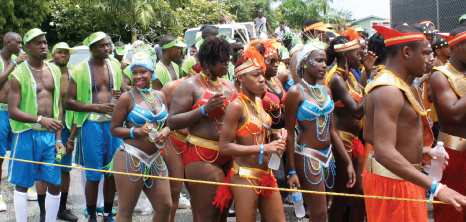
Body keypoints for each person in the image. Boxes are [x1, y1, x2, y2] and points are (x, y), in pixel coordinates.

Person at [363, 25, 466, 221]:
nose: (430, 59)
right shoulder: (389, 90)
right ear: (407, 52)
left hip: (403, 176)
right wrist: (437, 187)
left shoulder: (399, 84)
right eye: (426, 52)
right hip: (393, 181)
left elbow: (370, 135)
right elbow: (384, 152)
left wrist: (420, 151)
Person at [214, 46, 287, 221]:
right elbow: (224, 148)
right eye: (256, 75)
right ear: (240, 78)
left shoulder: (258, 102)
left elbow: (260, 133)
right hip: (244, 176)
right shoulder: (237, 106)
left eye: (262, 74)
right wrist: (264, 148)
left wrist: (276, 136)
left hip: (267, 175)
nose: (262, 80)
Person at [286, 39, 356, 221]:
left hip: (329, 157)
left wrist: (347, 162)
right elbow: (290, 133)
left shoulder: (326, 91)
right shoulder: (295, 92)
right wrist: (292, 171)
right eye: (318, 61)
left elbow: (333, 131)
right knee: (319, 213)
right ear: (304, 64)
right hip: (308, 156)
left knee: (324, 210)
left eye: (325, 61)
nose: (324, 65)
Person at [168, 37, 237, 222]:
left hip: (228, 153)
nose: (226, 63)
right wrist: (204, 109)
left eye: (228, 59)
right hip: (201, 154)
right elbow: (172, 122)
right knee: (209, 215)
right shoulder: (190, 85)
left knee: (224, 212)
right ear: (207, 62)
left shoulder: (228, 85)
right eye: (222, 60)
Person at [65, 31, 125, 222]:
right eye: (102, 45)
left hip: (113, 125)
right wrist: (97, 106)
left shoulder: (114, 65)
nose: (107, 48)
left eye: (108, 44)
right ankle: (91, 216)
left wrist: (119, 94)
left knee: (111, 174)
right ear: (91, 49)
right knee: (93, 174)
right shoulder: (80, 69)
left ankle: (107, 214)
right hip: (91, 124)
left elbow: (124, 92)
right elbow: (69, 102)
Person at [8, 28, 64, 222]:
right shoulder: (18, 73)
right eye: (38, 43)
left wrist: (58, 138)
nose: (43, 46)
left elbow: (58, 104)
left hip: (50, 136)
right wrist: (40, 119)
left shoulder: (54, 70)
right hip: (26, 134)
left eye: (45, 42)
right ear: (28, 47)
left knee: (54, 183)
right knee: (22, 184)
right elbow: (12, 110)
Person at [109, 51, 172, 221]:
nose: (138, 76)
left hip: (155, 157)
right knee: (125, 211)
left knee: (165, 206)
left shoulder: (161, 96)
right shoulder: (126, 98)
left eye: (142, 72)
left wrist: (166, 131)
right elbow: (114, 129)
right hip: (131, 156)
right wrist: (136, 131)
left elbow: (166, 125)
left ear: (152, 72)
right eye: (134, 72)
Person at [324, 36, 366, 222]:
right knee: (341, 197)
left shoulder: (348, 76)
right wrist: (373, 82)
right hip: (342, 143)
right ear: (344, 54)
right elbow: (357, 112)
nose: (361, 55)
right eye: (356, 52)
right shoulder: (335, 79)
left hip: (353, 142)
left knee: (358, 194)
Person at [36, 42, 78, 221]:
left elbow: (78, 105)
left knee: (64, 169)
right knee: (41, 169)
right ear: (53, 53)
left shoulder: (73, 74)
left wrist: (73, 136)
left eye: (67, 53)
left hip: (66, 127)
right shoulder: (44, 71)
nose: (64, 56)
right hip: (46, 126)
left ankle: (61, 209)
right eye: (60, 52)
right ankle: (44, 212)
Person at [431, 26, 466, 221]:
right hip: (454, 154)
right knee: (453, 212)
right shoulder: (440, 74)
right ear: (458, 46)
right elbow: (453, 114)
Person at [0, 31, 27, 212]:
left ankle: (23, 187)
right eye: (17, 42)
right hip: (0, 112)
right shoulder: (5, 60)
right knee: (0, 157)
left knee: (20, 152)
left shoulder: (18, 60)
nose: (20, 45)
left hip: (15, 112)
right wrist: (15, 64)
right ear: (7, 42)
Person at [423, 36, 450, 144]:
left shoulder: (446, 64)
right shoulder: (434, 67)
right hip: (434, 116)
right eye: (447, 47)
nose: (450, 49)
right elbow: (430, 96)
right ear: (438, 51)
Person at [290, 19, 331, 86]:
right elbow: (301, 88)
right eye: (320, 32)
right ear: (309, 35)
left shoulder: (321, 53)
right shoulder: (298, 54)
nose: (324, 36)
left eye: (324, 32)